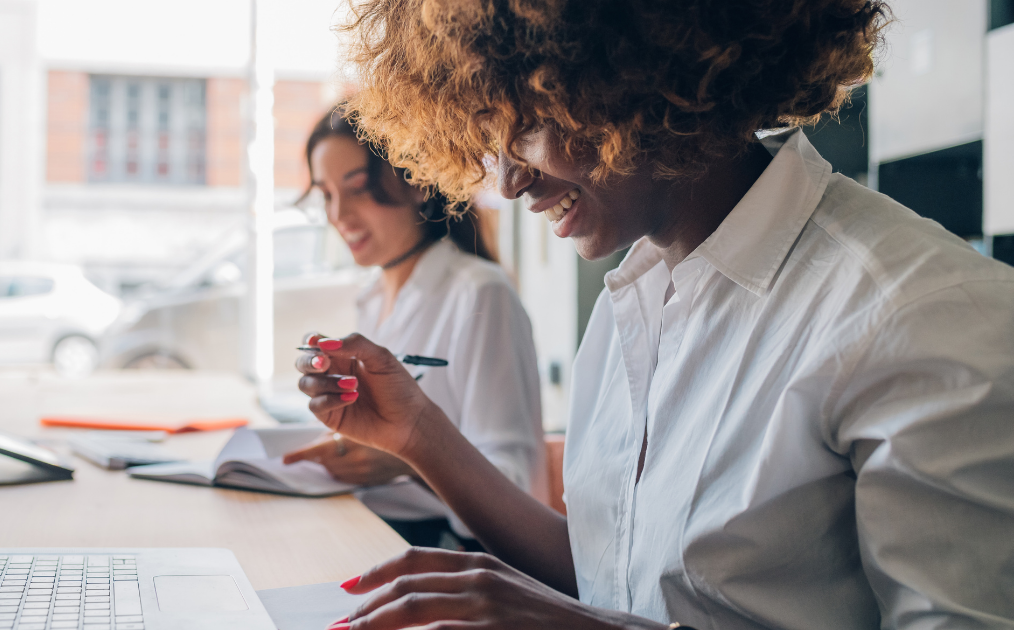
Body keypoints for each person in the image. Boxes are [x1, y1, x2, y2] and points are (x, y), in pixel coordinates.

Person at [296, 1, 1014, 629]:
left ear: (649, 83)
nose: (511, 181)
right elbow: (613, 582)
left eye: (535, 124)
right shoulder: (633, 300)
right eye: (493, 135)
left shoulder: (924, 317)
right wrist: (417, 434)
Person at [282, 106, 546, 551]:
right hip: (374, 534)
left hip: (450, 555)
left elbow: (519, 487)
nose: (338, 214)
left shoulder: (480, 294)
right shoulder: (371, 298)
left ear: (417, 182)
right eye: (326, 194)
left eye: (358, 189)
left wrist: (403, 461)